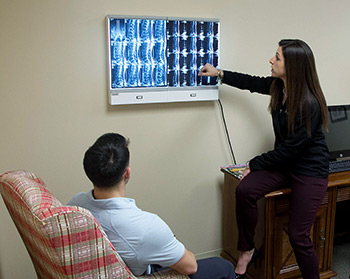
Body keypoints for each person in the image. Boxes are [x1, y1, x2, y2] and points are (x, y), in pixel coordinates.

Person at [199, 39, 329, 279]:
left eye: (277, 57)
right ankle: (247, 249)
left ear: (293, 66)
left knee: (298, 235)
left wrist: (254, 163)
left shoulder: (308, 103)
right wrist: (220, 73)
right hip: (285, 164)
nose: (271, 60)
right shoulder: (279, 87)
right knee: (245, 190)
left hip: (309, 170)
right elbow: (251, 82)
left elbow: (291, 150)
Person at [68, 133, 235, 279]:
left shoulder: (75, 204)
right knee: (223, 266)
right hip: (143, 272)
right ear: (127, 173)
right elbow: (190, 266)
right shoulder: (146, 227)